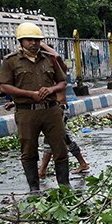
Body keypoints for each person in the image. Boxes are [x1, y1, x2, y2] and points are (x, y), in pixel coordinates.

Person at [0, 22, 70, 192]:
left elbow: (62, 81)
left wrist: (51, 89)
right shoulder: (11, 61)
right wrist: (30, 94)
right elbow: (4, 86)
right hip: (26, 112)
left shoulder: (49, 59)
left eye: (37, 40)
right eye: (29, 40)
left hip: (51, 110)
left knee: (60, 147)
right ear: (21, 41)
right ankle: (34, 189)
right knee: (28, 150)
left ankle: (65, 186)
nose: (34, 43)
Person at [36, 42, 90, 177]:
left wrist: (42, 45)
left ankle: (42, 170)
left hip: (59, 109)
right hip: (52, 108)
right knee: (61, 138)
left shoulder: (58, 67)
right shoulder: (43, 71)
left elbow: (57, 56)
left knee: (54, 138)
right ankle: (82, 163)